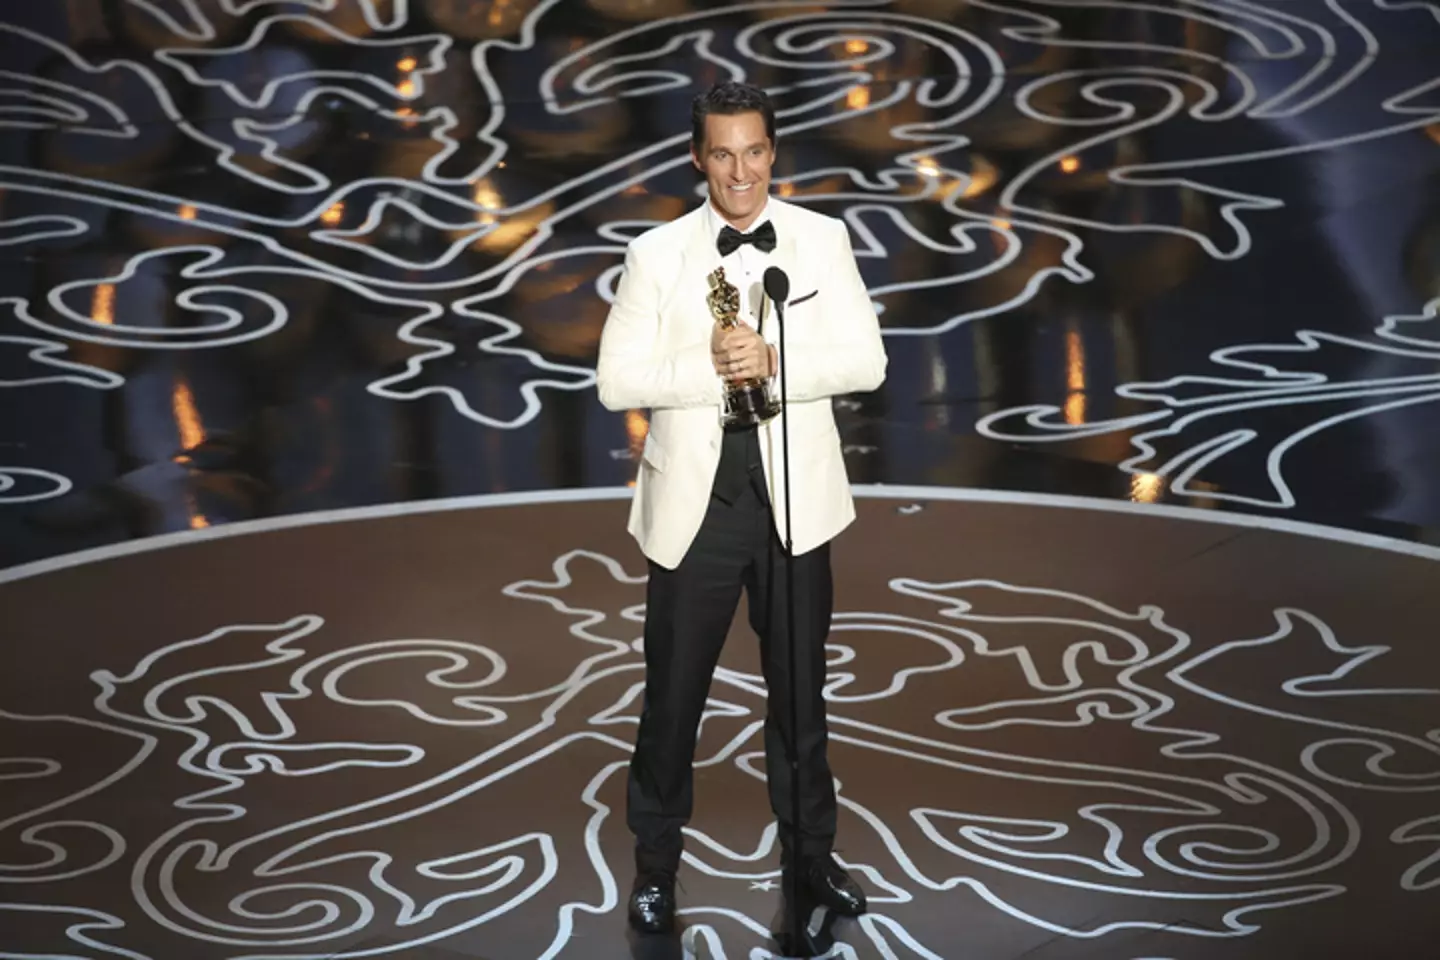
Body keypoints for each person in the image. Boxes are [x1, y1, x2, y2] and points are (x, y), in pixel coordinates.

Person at [595, 80, 887, 935]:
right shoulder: (656, 255)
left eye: (753, 151)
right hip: (698, 513)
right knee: (671, 702)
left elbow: (864, 361)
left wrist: (772, 358)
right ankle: (655, 869)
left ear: (773, 153)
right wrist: (710, 367)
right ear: (698, 159)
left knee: (802, 703)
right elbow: (618, 380)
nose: (740, 170)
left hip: (795, 507)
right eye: (721, 154)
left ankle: (811, 860)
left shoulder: (821, 240)